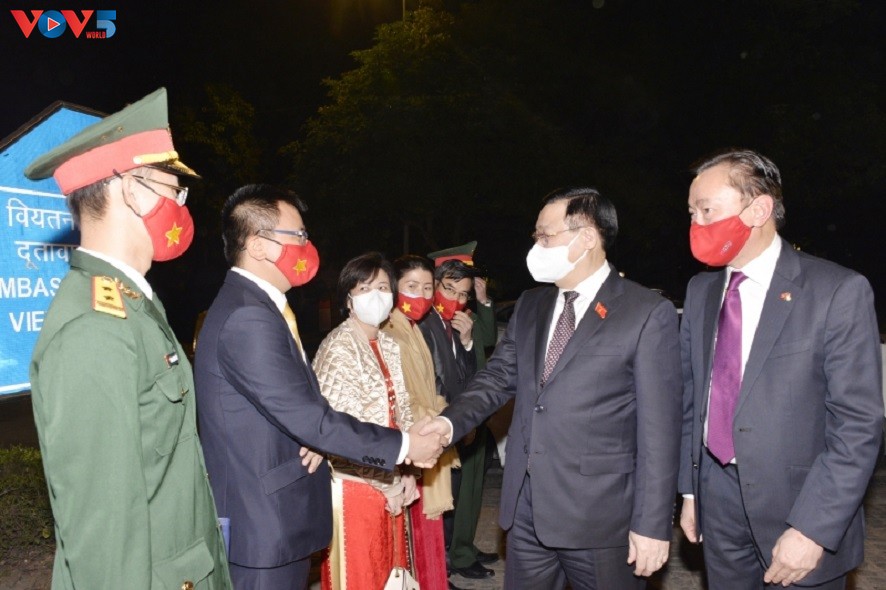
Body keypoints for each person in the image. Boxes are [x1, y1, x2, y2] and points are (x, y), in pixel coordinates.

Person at [422, 187, 683, 589]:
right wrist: (447, 424)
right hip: (526, 511)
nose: (537, 246)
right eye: (536, 236)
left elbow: (660, 430)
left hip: (601, 519)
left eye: (546, 236)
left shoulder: (645, 312)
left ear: (587, 237)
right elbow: (496, 378)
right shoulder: (532, 304)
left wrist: (652, 524)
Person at [24, 88, 233, 588]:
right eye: (174, 190)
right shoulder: (94, 329)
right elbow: (106, 538)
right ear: (134, 190)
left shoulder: (133, 304)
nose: (180, 205)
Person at [193, 185, 443, 590]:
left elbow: (291, 409)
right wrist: (404, 446)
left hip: (275, 518)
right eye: (298, 235)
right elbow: (309, 417)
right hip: (262, 526)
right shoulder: (247, 317)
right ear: (258, 245)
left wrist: (312, 436)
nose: (307, 246)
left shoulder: (260, 307)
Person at [678, 149, 884, 589]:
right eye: (692, 213)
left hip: (798, 507)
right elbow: (692, 399)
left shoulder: (836, 291)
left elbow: (858, 424)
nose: (696, 224)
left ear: (759, 210)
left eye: (707, 210)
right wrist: (691, 489)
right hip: (718, 500)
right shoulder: (700, 291)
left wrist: (814, 529)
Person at [313, 252, 419, 589]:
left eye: (383, 287)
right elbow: (341, 434)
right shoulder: (338, 348)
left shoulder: (388, 344)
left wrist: (409, 471)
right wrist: (387, 485)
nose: (376, 295)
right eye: (364, 288)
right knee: (362, 576)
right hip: (354, 488)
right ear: (348, 299)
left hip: (391, 479)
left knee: (391, 575)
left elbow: (402, 412)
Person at [423, 243, 500, 584]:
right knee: (449, 496)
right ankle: (451, 557)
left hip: (470, 413)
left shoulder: (461, 319)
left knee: (468, 489)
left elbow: (482, 344)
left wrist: (469, 338)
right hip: (444, 420)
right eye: (449, 288)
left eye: (463, 293)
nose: (455, 298)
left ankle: (460, 549)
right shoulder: (426, 324)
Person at [383, 254, 459, 590]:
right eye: (412, 286)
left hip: (428, 435)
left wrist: (448, 416)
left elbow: (428, 389)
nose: (421, 296)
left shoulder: (412, 328)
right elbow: (401, 399)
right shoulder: (390, 330)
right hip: (412, 444)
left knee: (427, 536)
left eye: (428, 288)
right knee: (414, 540)